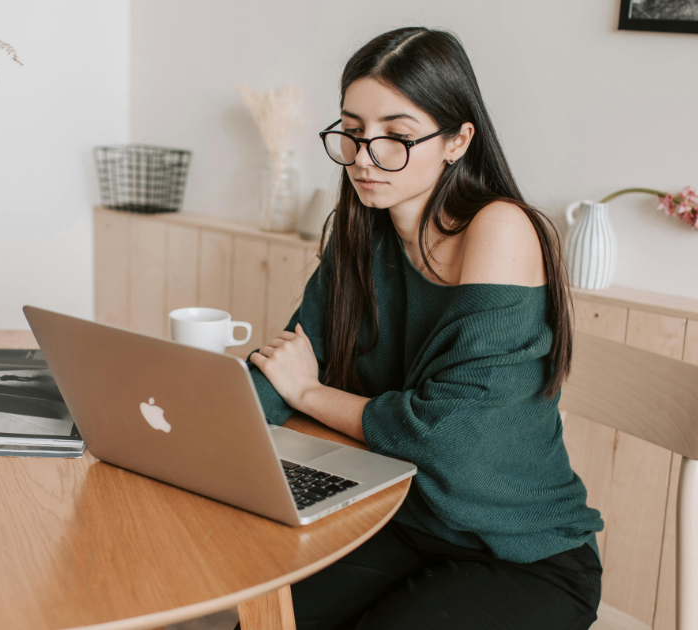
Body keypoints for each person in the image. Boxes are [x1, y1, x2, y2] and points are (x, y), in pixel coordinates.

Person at [243, 27, 604, 630]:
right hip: (399, 520)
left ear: (459, 140)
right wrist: (200, 423)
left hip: (519, 551)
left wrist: (309, 394)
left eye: (398, 137)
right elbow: (283, 367)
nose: (364, 157)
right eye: (353, 132)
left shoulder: (501, 227)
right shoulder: (360, 234)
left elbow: (447, 437)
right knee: (261, 621)